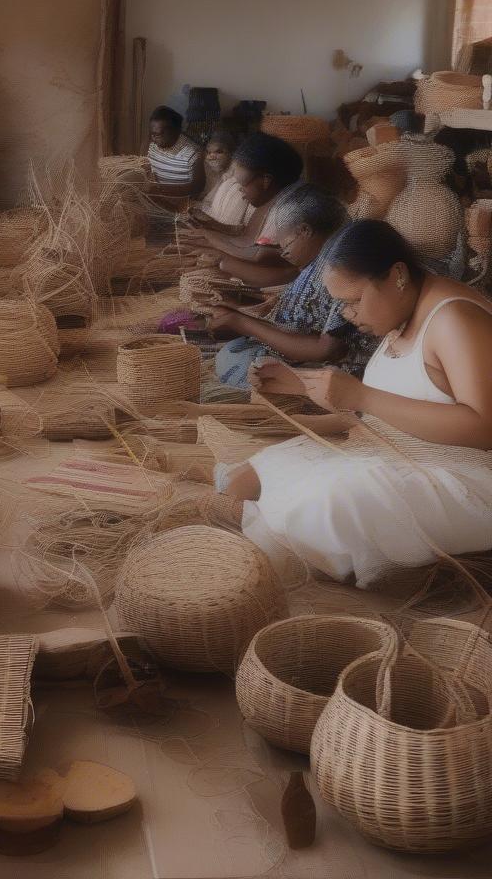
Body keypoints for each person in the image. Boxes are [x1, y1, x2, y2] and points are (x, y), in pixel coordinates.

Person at [221, 220, 492, 588]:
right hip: (404, 455)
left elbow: (482, 427)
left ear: (397, 275)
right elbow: (404, 403)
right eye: (342, 305)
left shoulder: (454, 319)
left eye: (354, 301)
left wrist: (362, 396)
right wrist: (302, 385)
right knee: (261, 470)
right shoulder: (404, 310)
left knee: (331, 503)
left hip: (472, 479)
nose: (349, 315)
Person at [210, 188, 376, 388]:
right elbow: (302, 320)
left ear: (305, 231)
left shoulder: (339, 266)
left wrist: (241, 322)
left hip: (331, 375)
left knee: (236, 362)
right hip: (295, 356)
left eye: (286, 245)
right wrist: (240, 310)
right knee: (232, 353)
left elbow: (327, 349)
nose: (282, 253)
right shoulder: (317, 262)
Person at [182, 133, 305, 287]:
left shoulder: (289, 210)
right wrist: (210, 226)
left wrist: (211, 240)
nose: (239, 191)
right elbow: (246, 238)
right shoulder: (267, 201)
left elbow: (263, 256)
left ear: (266, 180)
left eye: (243, 185)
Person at [145, 105, 205, 204]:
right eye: (152, 133)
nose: (153, 138)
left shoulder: (193, 153)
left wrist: (160, 190)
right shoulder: (151, 143)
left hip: (179, 208)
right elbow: (141, 166)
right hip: (153, 202)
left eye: (158, 134)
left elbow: (197, 187)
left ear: (175, 131)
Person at [199, 130, 252, 229]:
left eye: (219, 152)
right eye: (209, 152)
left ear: (231, 154)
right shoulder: (211, 170)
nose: (211, 157)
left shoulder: (236, 183)